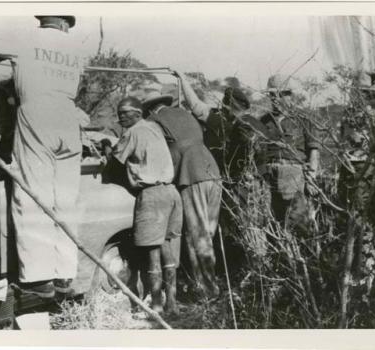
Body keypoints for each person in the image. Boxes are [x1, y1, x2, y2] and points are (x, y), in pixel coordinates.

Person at [4, 16, 85, 297]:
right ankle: (64, 273)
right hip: (67, 114)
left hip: (36, 112)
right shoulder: (75, 47)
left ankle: (39, 278)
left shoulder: (25, 39)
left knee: (32, 193)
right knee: (65, 199)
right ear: (64, 24)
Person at [175, 70, 268, 258]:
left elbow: (195, 105)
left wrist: (182, 79)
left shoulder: (219, 120)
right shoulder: (255, 124)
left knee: (232, 226)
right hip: (255, 183)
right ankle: (253, 265)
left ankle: (242, 264)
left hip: (231, 183)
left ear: (225, 105)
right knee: (253, 225)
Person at [103, 97, 183, 315]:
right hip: (171, 192)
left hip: (152, 194)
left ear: (137, 113)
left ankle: (157, 304)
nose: (120, 118)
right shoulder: (154, 127)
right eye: (119, 114)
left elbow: (115, 163)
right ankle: (172, 304)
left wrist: (107, 148)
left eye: (124, 113)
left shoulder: (133, 132)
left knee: (153, 252)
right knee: (167, 249)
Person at [142, 91, 222, 298]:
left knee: (197, 236)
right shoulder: (185, 113)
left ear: (150, 109)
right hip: (211, 170)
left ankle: (206, 289)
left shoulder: (154, 120)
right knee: (208, 234)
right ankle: (209, 282)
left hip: (190, 174)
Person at [258, 74, 320, 230]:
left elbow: (314, 150)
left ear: (289, 96)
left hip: (294, 176)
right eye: (272, 95)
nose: (276, 99)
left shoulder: (303, 120)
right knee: (274, 224)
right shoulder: (263, 122)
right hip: (270, 177)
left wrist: (311, 177)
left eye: (280, 95)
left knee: (297, 222)